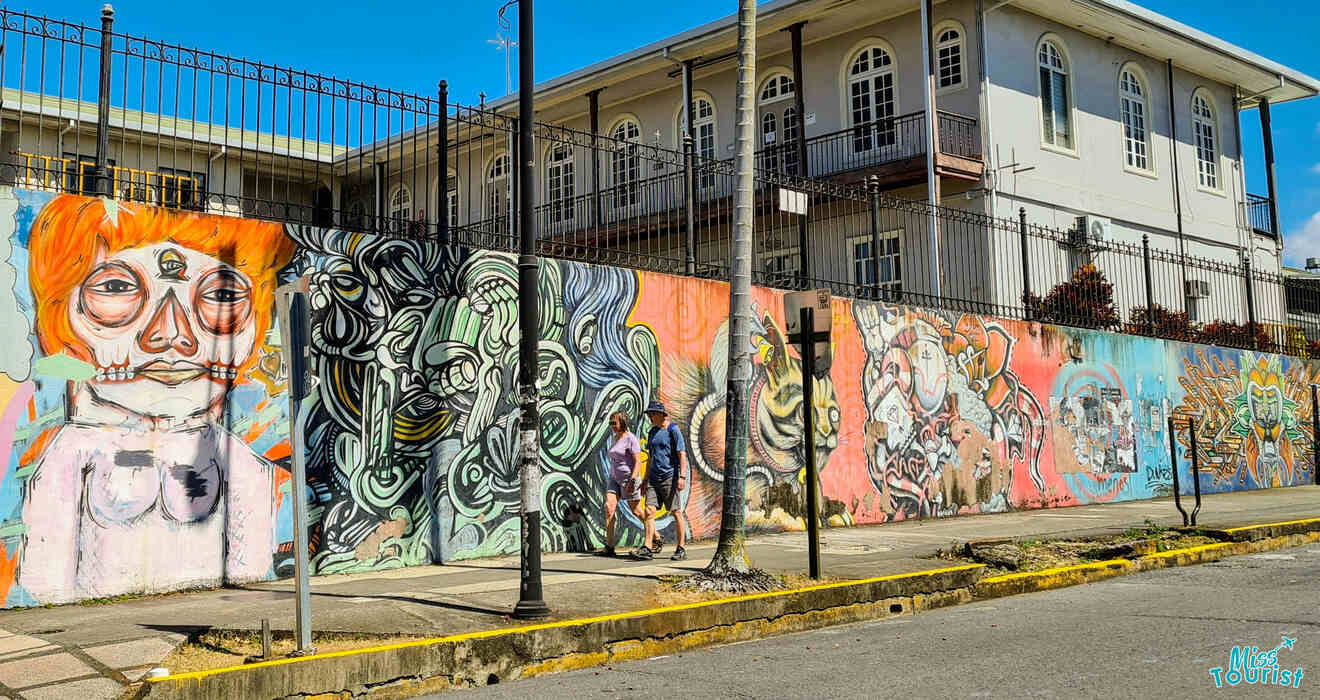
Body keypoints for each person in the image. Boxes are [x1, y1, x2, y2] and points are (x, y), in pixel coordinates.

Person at [634, 401, 689, 561]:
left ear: (660, 414)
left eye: (652, 414)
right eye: (649, 414)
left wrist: (682, 476)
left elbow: (682, 454)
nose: (650, 417)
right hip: (653, 479)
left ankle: (681, 548)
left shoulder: (673, 430)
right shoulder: (652, 432)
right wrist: (645, 480)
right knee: (649, 511)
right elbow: (650, 458)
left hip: (669, 477)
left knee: (676, 512)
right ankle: (647, 548)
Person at [600, 410, 642, 557]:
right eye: (610, 423)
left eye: (614, 423)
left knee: (636, 511)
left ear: (623, 423)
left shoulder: (631, 439)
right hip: (614, 479)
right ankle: (609, 546)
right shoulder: (614, 438)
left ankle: (655, 537)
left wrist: (632, 480)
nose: (612, 425)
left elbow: (638, 462)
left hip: (628, 479)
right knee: (609, 507)